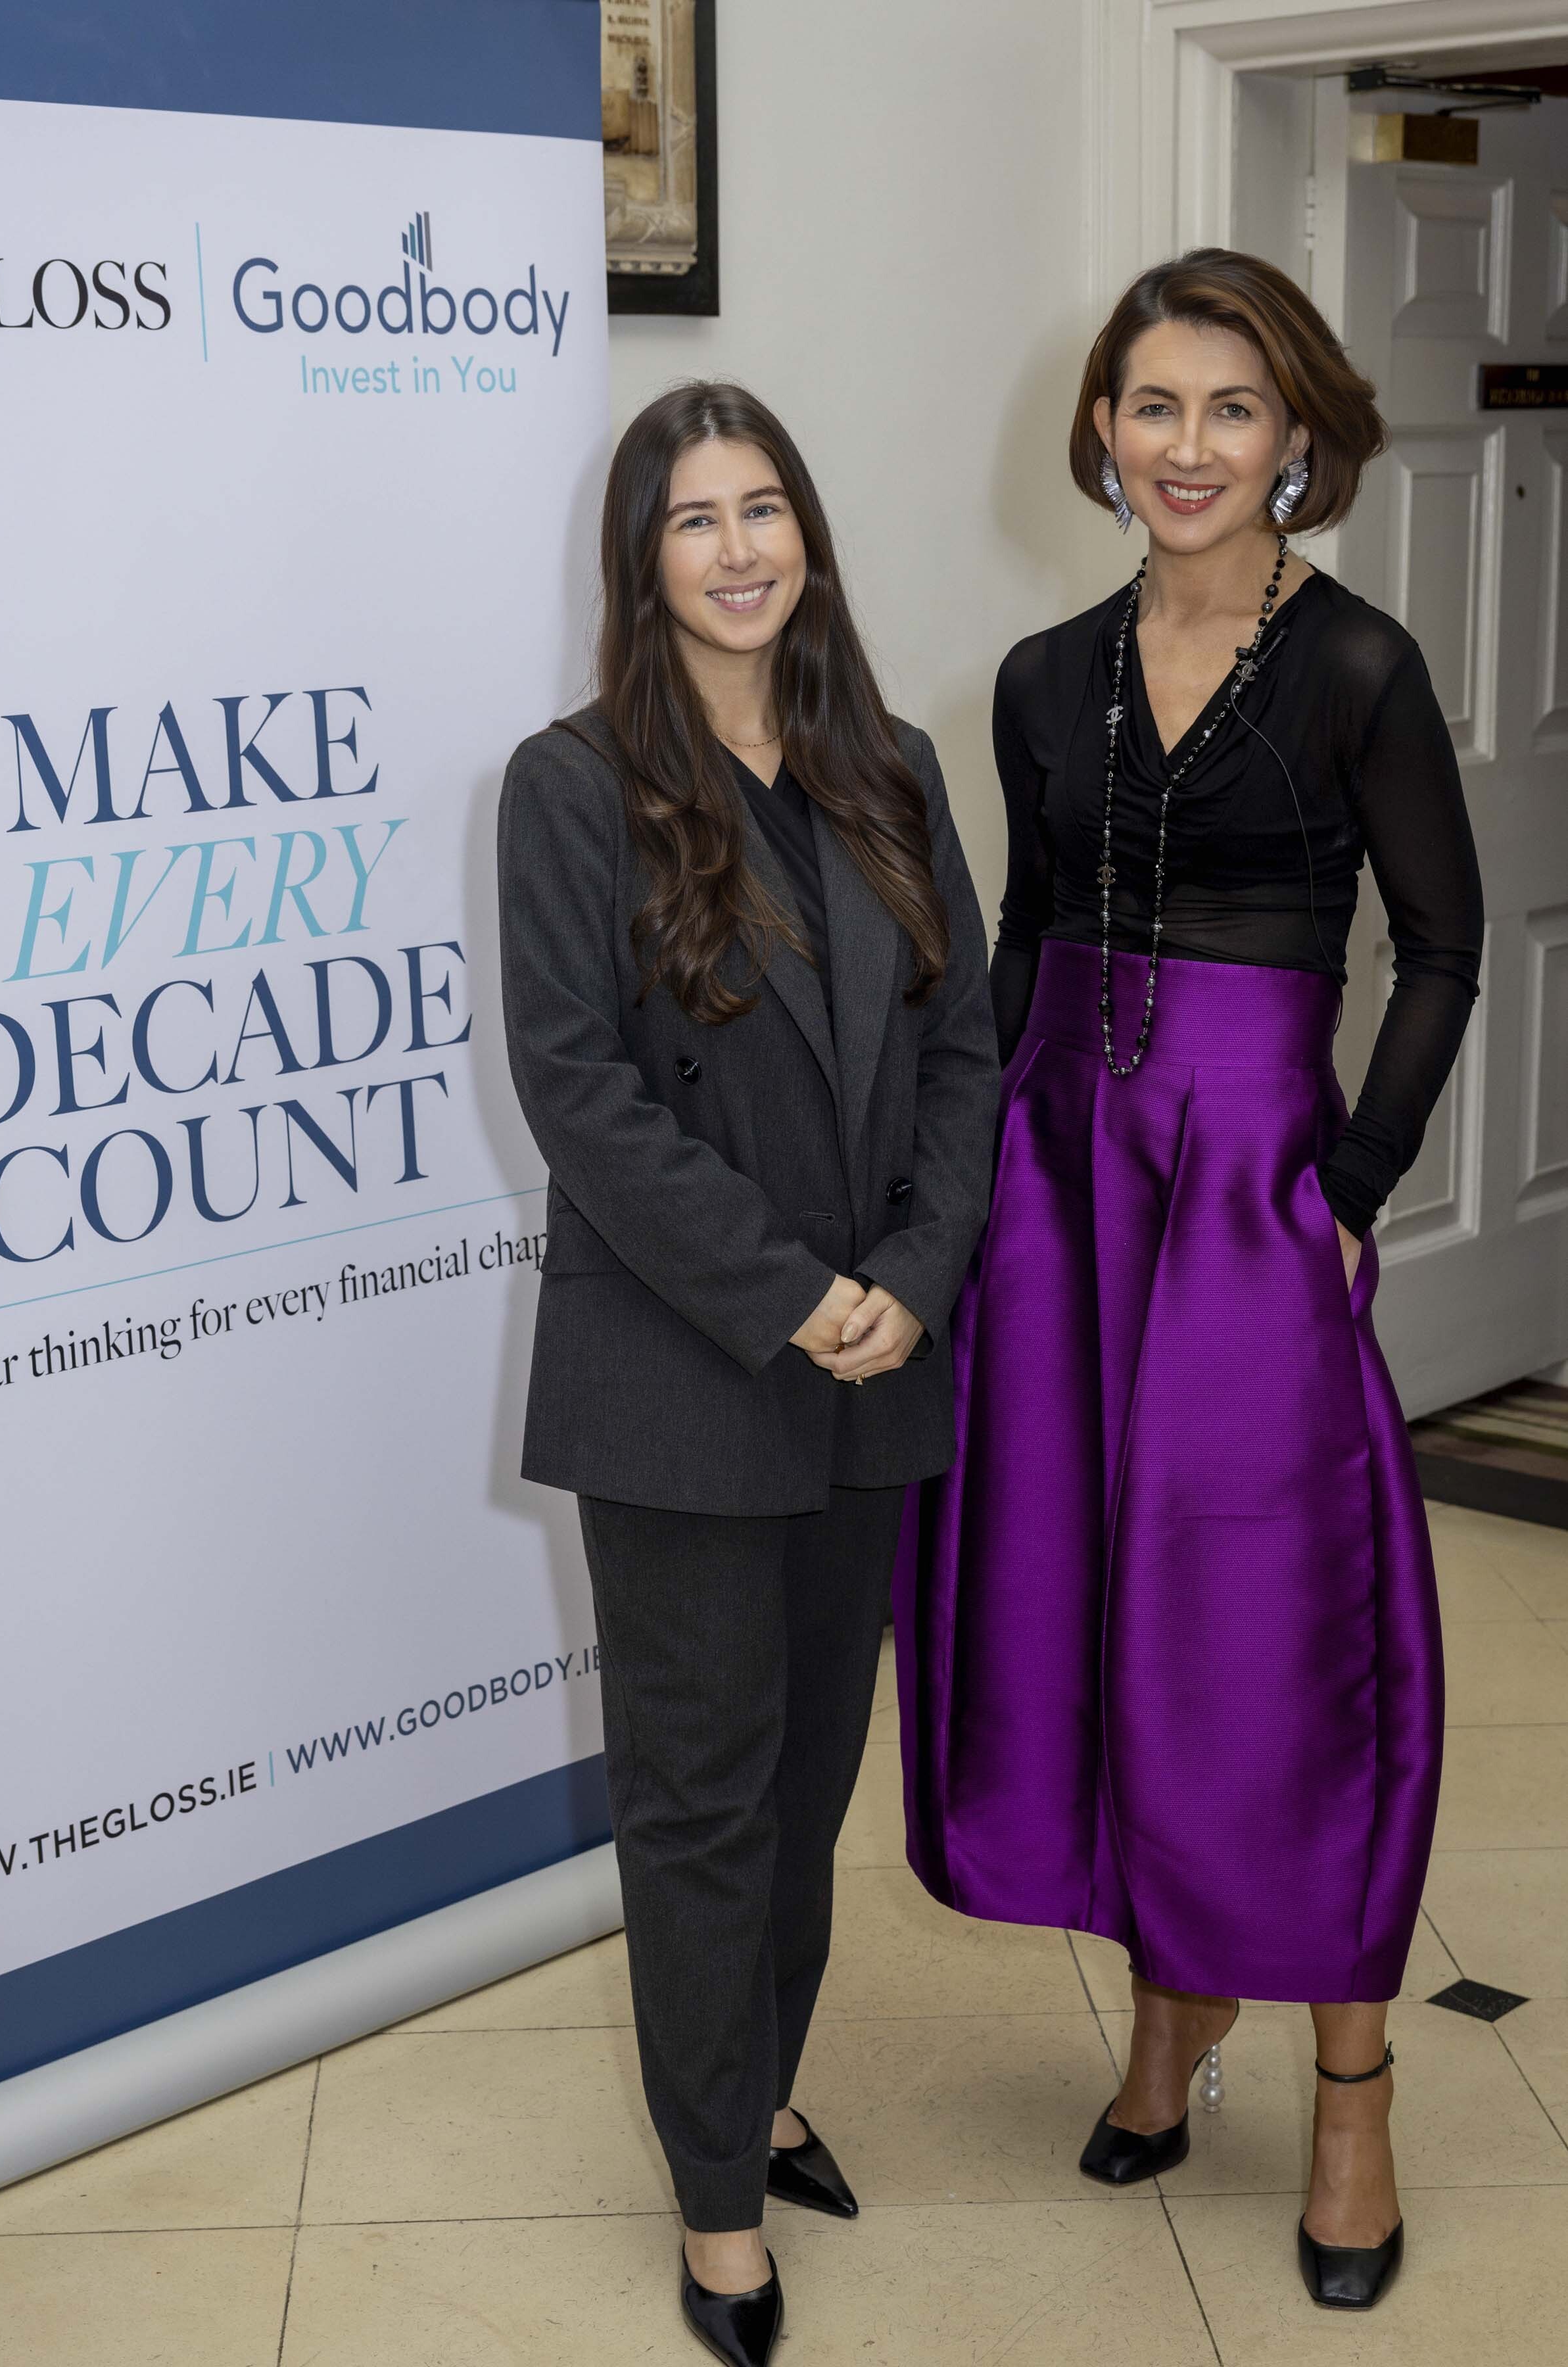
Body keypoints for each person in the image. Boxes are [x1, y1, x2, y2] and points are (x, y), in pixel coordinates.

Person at [894, 249, 1482, 2314]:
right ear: (1101, 431)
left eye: (1231, 408)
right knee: (1089, 1601)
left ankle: (1350, 2086)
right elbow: (1021, 948)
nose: (1188, 445)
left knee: (1275, 1629)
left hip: (1248, 1188)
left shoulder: (1357, 666)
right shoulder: (1037, 677)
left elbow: (1443, 948)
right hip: (1061, 1181)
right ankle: (1171, 2006)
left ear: (1295, 434)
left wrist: (1353, 1185)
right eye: (1152, 405)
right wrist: (963, 1191)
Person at [498, 382, 999, 2364]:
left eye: (763, 508)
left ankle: (760, 2087)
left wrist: (915, 1279)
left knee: (805, 1787)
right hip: (688, 1376)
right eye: (694, 520)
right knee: (702, 1804)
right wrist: (793, 1295)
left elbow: (964, 1052)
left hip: (875, 1364)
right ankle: (719, 2203)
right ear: (643, 562)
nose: (736, 550)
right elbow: (579, 1094)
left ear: (807, 536)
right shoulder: (569, 786)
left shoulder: (889, 764)